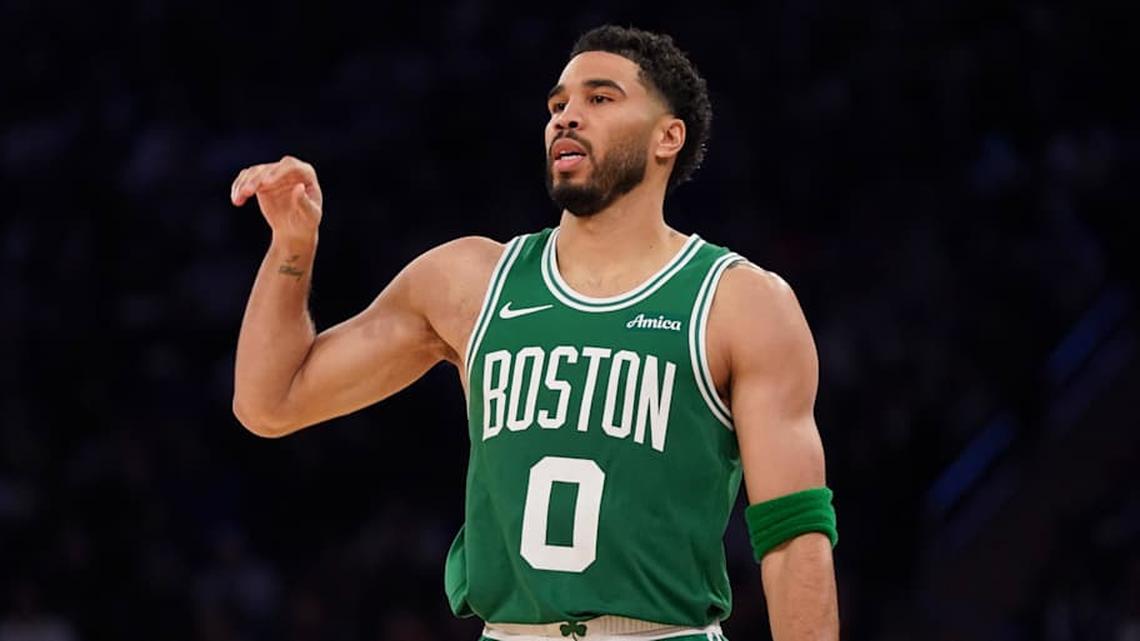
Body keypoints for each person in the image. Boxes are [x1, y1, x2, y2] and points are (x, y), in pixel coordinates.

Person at [229, 25, 839, 641]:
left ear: (667, 136)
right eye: (558, 104)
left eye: (600, 99)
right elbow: (269, 401)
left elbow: (793, 537)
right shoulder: (468, 282)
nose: (567, 117)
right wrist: (293, 246)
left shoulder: (739, 302)